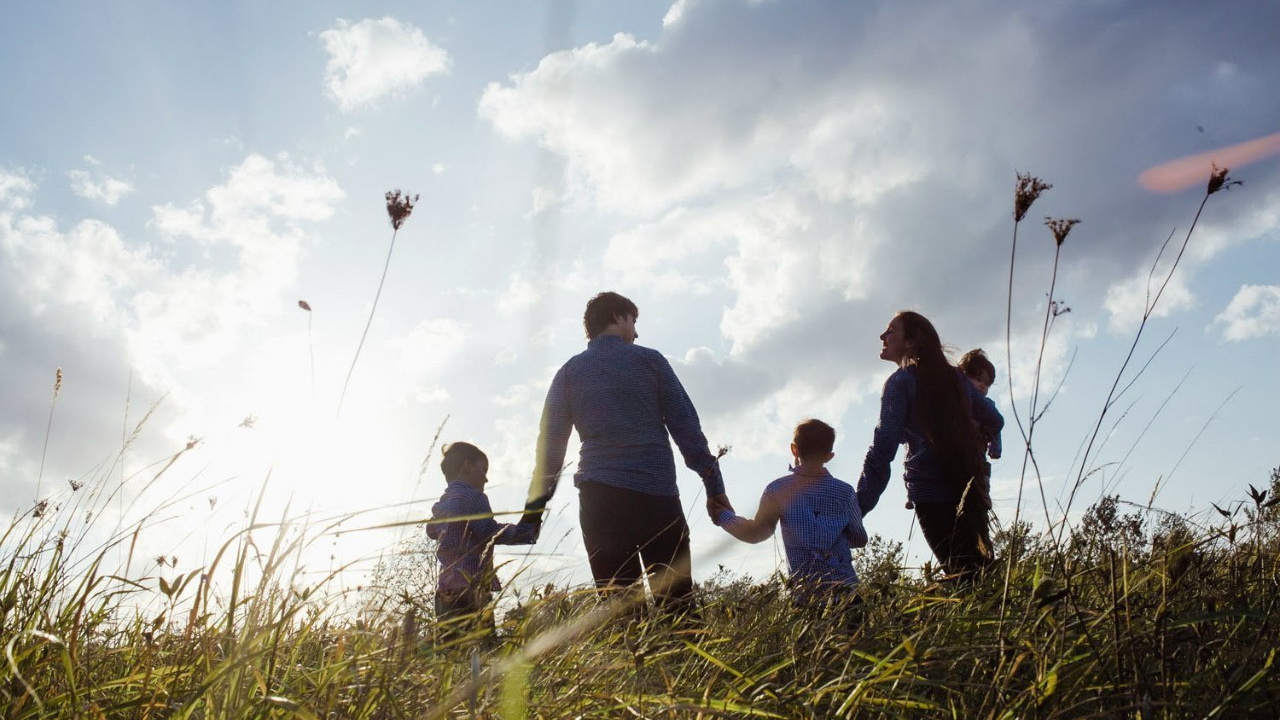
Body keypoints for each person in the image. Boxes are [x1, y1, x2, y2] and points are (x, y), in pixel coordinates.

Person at [523, 291, 731, 614]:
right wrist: (715, 488)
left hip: (600, 500)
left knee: (620, 611)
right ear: (618, 316)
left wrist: (532, 515)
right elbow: (688, 430)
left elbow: (549, 450)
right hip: (656, 498)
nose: (636, 332)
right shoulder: (651, 361)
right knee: (677, 606)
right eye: (634, 321)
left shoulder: (568, 373)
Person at [856, 311, 1004, 581]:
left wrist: (858, 508)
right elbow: (994, 418)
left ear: (911, 341)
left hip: (931, 493)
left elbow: (882, 451)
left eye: (891, 330)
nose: (882, 336)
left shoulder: (900, 383)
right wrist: (976, 440)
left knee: (962, 578)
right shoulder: (956, 378)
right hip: (970, 487)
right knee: (981, 574)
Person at [716, 419, 867, 608]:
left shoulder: (777, 490)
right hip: (847, 596)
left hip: (804, 598)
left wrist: (723, 517)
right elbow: (860, 538)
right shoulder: (845, 492)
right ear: (829, 456)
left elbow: (756, 533)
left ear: (794, 449)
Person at [427, 442, 539, 639]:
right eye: (484, 469)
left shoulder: (441, 504)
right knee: (482, 647)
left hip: (445, 592)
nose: (486, 478)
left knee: (451, 651)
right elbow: (488, 532)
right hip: (472, 589)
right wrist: (525, 532)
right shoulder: (474, 497)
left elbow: (431, 530)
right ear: (467, 466)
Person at [957, 348, 1003, 461]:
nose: (983, 386)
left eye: (987, 384)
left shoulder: (988, 405)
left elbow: (996, 429)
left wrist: (995, 448)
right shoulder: (958, 400)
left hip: (977, 452)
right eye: (978, 380)